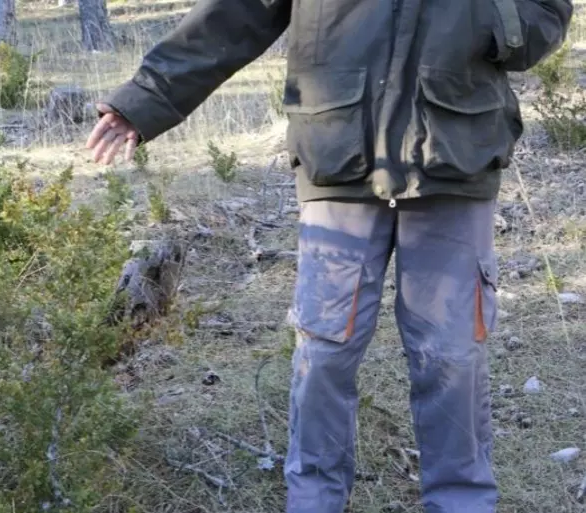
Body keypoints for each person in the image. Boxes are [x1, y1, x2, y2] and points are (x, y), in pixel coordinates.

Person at [85, 1, 572, 511]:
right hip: (338, 150)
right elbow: (238, 13)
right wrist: (147, 98)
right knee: (324, 352)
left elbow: (544, 12)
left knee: (451, 355)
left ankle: (461, 503)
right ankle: (314, 500)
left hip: (455, 150)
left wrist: (484, 22)